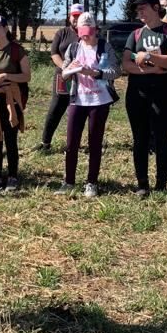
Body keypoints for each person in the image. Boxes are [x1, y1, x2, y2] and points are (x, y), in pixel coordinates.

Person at [123, 0, 167, 196]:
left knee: (162, 138)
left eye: (143, 8)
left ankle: (161, 182)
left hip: (163, 94)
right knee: (139, 138)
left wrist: (148, 56)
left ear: (156, 8)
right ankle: (142, 183)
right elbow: (127, 63)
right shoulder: (136, 34)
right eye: (137, 9)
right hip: (137, 94)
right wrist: (151, 69)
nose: (139, 12)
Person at [55, 12, 120, 197]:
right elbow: (64, 73)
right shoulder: (74, 48)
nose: (86, 36)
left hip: (99, 101)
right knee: (71, 143)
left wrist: (95, 73)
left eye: (89, 31)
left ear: (95, 29)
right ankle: (68, 181)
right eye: (82, 31)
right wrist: (70, 69)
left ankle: (91, 182)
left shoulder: (104, 47)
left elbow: (116, 71)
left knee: (95, 142)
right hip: (78, 99)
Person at [0, 14, 32, 193]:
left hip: (11, 98)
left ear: (6, 28)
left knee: (10, 138)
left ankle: (12, 177)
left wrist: (7, 76)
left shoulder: (17, 50)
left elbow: (26, 76)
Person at [38, 4, 83, 153]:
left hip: (83, 78)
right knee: (56, 108)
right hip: (63, 77)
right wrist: (66, 68)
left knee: (78, 110)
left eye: (79, 16)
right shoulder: (61, 33)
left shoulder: (89, 33)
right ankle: (45, 142)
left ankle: (74, 144)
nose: (76, 19)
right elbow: (54, 53)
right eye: (74, 16)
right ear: (69, 17)